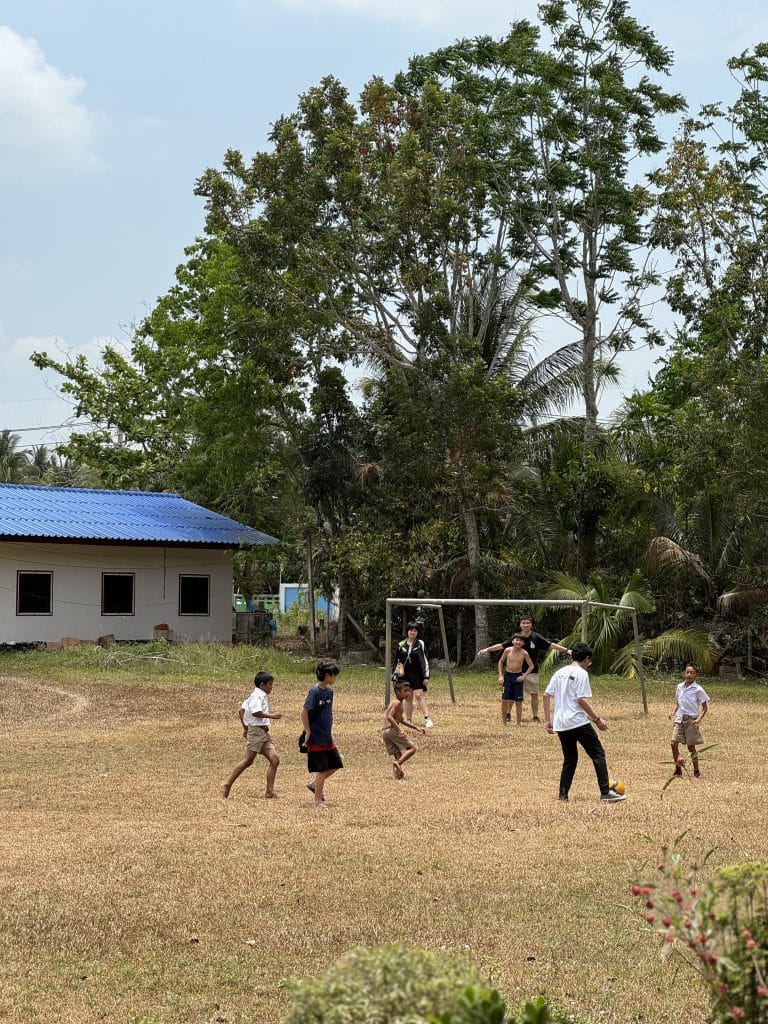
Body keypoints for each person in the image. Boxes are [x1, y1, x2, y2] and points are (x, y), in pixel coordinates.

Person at [543, 642, 625, 803]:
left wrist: (547, 720)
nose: (589, 664)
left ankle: (563, 795)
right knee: (598, 754)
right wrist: (597, 719)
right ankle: (605, 792)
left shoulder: (560, 672)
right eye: (589, 661)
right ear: (587, 658)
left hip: (561, 723)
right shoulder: (581, 674)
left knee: (570, 759)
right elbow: (581, 699)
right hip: (577, 721)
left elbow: (546, 696)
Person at [478, 615, 571, 721]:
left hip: (532, 671)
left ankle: (535, 716)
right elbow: (502, 645)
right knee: (512, 695)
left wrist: (567, 650)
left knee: (534, 694)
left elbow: (551, 645)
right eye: (523, 623)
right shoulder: (516, 637)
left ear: (531, 625)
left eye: (528, 623)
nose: (526, 625)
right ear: (520, 625)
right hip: (515, 672)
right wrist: (487, 649)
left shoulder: (536, 637)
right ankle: (508, 714)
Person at [221, 671, 282, 799]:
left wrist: (245, 728)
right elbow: (256, 713)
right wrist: (272, 716)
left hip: (263, 733)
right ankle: (227, 784)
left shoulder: (255, 696)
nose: (271, 687)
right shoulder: (257, 697)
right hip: (256, 732)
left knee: (274, 759)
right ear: (262, 685)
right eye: (270, 684)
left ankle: (269, 791)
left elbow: (241, 711)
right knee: (248, 760)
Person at [301, 659, 344, 808]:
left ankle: (314, 785)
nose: (335, 678)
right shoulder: (315, 691)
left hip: (327, 735)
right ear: (327, 675)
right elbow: (304, 712)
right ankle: (317, 801)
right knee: (321, 768)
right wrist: (308, 731)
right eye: (334, 675)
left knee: (336, 764)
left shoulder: (329, 692)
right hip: (316, 736)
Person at [669, 662, 710, 778]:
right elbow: (678, 703)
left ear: (696, 675)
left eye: (692, 673)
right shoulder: (679, 687)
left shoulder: (698, 689)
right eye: (687, 672)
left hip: (691, 720)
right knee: (673, 743)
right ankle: (678, 768)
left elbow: (705, 707)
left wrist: (699, 719)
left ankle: (696, 770)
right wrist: (673, 712)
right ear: (684, 673)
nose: (689, 675)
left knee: (691, 747)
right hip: (679, 719)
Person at [382, 680, 427, 779]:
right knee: (412, 748)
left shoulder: (395, 702)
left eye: (409, 691)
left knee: (398, 754)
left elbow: (401, 719)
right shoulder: (397, 703)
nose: (408, 693)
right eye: (405, 691)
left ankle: (398, 775)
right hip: (392, 730)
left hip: (385, 732)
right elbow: (389, 717)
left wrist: (416, 727)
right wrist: (400, 730)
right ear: (398, 692)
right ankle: (397, 763)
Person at [393, 622, 433, 728]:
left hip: (417, 674)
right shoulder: (401, 645)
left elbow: (424, 660)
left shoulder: (420, 644)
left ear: (417, 632)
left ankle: (427, 718)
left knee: (419, 695)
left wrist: (426, 676)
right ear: (407, 631)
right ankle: (409, 720)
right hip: (405, 675)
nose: (412, 632)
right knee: (408, 697)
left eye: (415, 630)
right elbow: (397, 661)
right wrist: (395, 674)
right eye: (411, 630)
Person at [497, 634, 534, 726]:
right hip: (507, 677)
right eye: (516, 640)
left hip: (517, 677)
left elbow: (531, 666)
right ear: (513, 641)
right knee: (504, 700)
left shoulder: (524, 653)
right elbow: (501, 662)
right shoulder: (507, 650)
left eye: (520, 641)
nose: (518, 642)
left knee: (518, 701)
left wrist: (524, 676)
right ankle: (504, 722)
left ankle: (518, 723)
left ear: (523, 643)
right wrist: (501, 676)